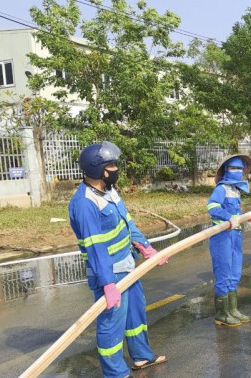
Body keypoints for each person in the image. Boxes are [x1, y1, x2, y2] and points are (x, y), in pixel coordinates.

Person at [68, 141, 167, 377]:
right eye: (111, 165)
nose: (116, 169)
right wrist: (107, 283)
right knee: (112, 324)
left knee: (135, 314)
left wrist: (145, 247)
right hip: (108, 273)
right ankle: (115, 373)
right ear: (98, 169)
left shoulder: (109, 192)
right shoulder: (84, 204)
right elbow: (95, 248)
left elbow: (127, 222)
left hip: (127, 265)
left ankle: (142, 357)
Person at [206, 154, 251, 327]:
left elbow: (237, 215)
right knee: (224, 272)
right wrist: (228, 217)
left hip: (235, 235)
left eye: (239, 169)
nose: (237, 172)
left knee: (235, 271)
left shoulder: (235, 190)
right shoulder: (221, 189)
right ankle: (222, 313)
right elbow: (212, 207)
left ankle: (232, 309)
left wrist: (246, 218)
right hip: (222, 237)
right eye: (233, 168)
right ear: (226, 170)